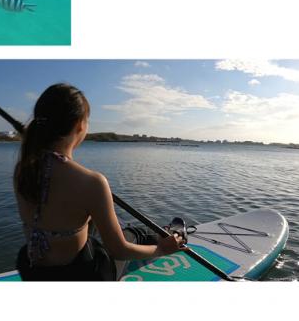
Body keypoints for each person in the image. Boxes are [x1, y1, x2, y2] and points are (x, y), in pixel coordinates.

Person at [14, 83, 185, 281]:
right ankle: (168, 238)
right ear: (80, 125)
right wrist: (161, 250)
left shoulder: (22, 170)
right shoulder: (92, 182)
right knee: (136, 234)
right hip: (82, 277)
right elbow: (119, 250)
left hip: (34, 272)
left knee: (98, 228)